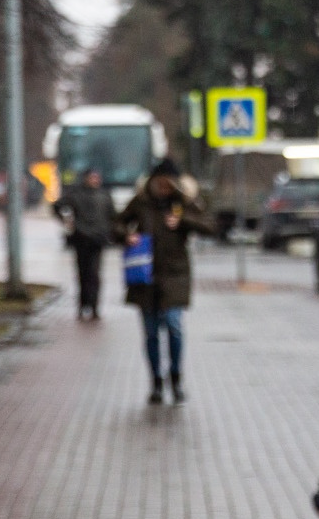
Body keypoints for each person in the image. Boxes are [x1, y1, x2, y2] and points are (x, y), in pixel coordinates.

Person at [114, 157, 216, 405]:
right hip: (145, 276)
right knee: (150, 333)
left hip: (175, 274)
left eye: (167, 183)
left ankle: (176, 378)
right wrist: (127, 236)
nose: (162, 188)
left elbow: (210, 226)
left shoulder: (183, 203)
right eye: (159, 183)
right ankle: (156, 382)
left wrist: (183, 222)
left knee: (173, 324)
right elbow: (116, 224)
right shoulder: (141, 203)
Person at [53, 168, 113, 322]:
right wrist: (67, 222)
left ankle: (94, 307)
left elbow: (113, 215)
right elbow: (57, 206)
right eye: (92, 177)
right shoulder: (76, 194)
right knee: (83, 274)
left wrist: (111, 232)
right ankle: (83, 305)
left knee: (94, 274)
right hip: (81, 239)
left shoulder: (104, 195)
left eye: (96, 177)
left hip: (98, 240)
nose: (94, 180)